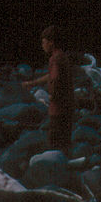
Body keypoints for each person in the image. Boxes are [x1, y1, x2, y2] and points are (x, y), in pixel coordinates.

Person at [25, 25, 73, 155]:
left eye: (44, 42)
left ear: (51, 43)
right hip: (67, 106)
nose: (42, 45)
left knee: (55, 141)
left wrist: (52, 96)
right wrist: (32, 83)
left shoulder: (55, 59)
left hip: (58, 108)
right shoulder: (61, 56)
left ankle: (56, 165)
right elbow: (51, 75)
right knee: (65, 140)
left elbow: (55, 78)